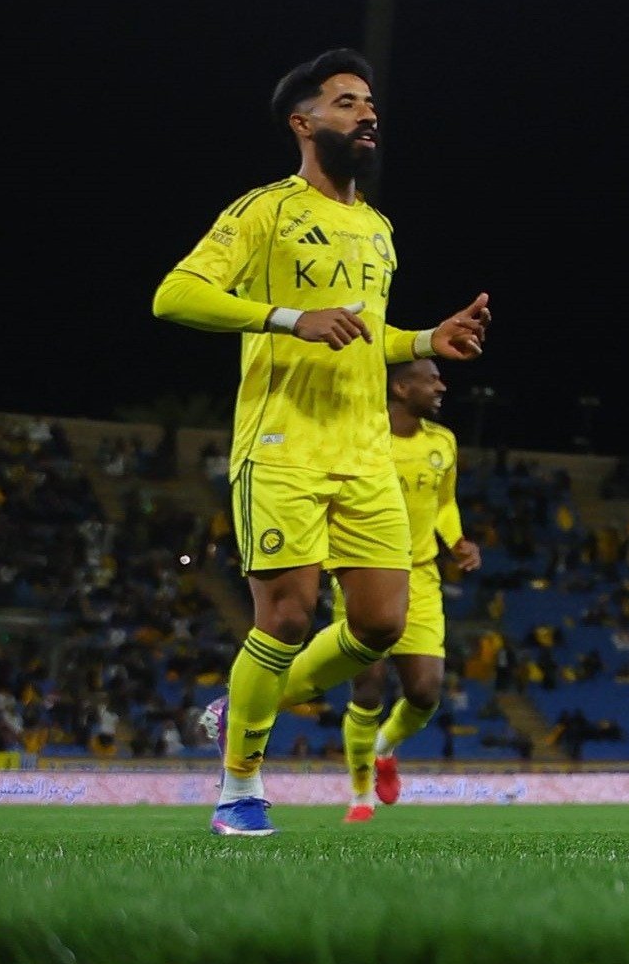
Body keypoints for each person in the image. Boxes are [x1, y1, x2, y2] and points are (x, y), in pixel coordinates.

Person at [154, 49, 493, 837]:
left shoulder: (378, 230)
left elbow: (363, 336)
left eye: (369, 103)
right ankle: (239, 787)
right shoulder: (264, 211)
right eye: (345, 103)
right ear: (302, 123)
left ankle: (244, 699)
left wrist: (425, 341)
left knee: (379, 625)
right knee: (286, 619)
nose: (366, 114)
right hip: (282, 446)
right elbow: (174, 295)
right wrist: (284, 316)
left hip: (363, 451)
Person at [339, 354, 477, 824]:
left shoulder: (443, 442)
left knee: (425, 691)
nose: (441, 387)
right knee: (368, 686)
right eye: (432, 380)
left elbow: (444, 503)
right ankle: (361, 796)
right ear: (401, 389)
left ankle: (384, 747)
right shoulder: (363, 437)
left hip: (421, 574)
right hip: (365, 570)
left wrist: (456, 540)